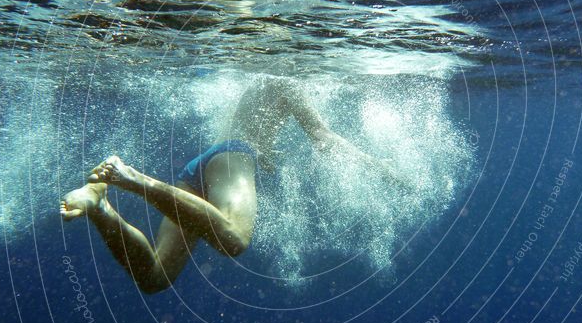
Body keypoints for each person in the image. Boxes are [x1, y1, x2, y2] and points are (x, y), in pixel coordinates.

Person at [60, 77, 404, 294]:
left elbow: (249, 122)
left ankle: (100, 206)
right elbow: (323, 138)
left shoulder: (254, 82)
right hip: (233, 156)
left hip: (207, 165)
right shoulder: (286, 80)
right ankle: (130, 178)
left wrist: (264, 154)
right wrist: (378, 165)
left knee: (154, 278)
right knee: (235, 238)